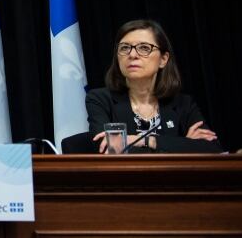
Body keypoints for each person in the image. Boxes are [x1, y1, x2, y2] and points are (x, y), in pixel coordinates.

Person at [86, 19, 222, 153]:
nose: (132, 55)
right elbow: (107, 150)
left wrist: (145, 140)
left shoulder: (183, 104)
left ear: (163, 59)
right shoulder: (99, 100)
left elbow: (212, 148)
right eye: (125, 48)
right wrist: (184, 144)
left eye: (144, 48)